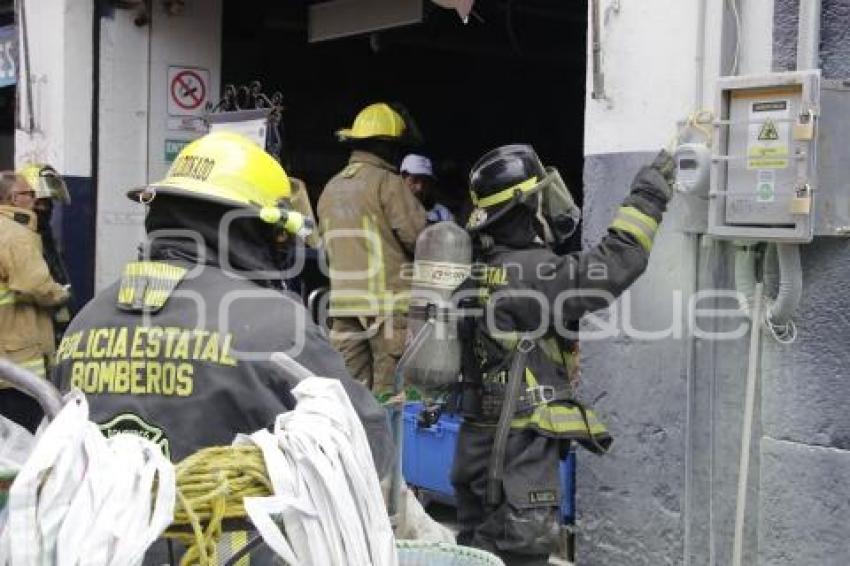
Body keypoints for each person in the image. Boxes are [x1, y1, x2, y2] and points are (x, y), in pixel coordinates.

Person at [52, 132, 393, 476]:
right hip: (229, 529)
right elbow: (367, 446)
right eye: (279, 234)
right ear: (251, 229)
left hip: (102, 529)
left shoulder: (86, 319)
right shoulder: (276, 324)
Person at [452, 145, 676, 565]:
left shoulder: (477, 272)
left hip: (475, 455)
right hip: (515, 465)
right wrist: (649, 194)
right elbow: (618, 262)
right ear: (526, 207)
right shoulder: (535, 273)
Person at [317, 103, 428, 395]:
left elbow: (324, 245)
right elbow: (420, 240)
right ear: (385, 146)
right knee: (389, 399)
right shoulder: (388, 184)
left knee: (348, 399)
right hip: (387, 312)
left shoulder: (331, 187)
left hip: (344, 309)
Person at [0, 172, 70, 432]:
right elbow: (34, 284)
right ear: (12, 198)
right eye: (29, 193)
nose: (36, 199)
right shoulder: (16, 234)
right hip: (16, 358)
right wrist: (59, 294)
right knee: (25, 437)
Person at [18, 163, 73, 341]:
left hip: (44, 324)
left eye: (48, 202)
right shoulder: (16, 235)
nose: (45, 208)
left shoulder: (44, 234)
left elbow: (57, 275)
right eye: (40, 202)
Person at [400, 153, 454, 223]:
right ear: (402, 179)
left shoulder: (442, 214)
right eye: (414, 180)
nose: (420, 188)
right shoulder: (389, 209)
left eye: (425, 182)